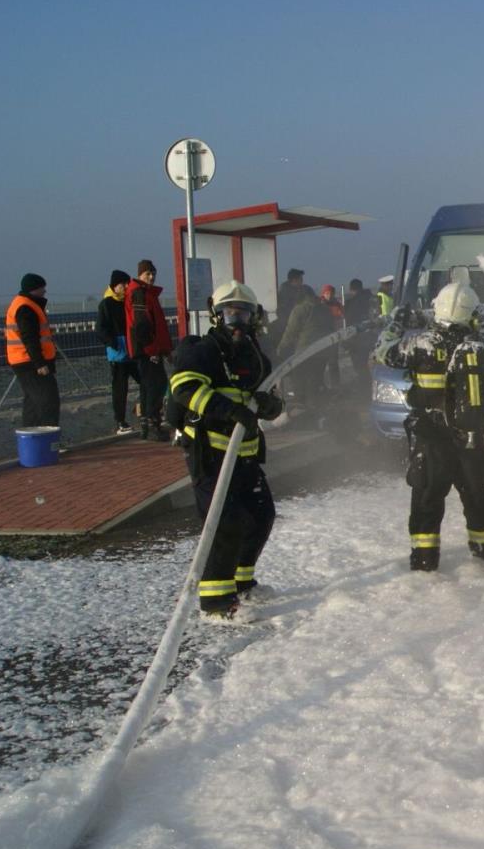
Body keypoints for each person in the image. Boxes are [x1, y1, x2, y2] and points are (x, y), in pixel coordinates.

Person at [168, 281, 284, 622]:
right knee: (226, 523)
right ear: (215, 316)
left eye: (242, 313)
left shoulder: (256, 356)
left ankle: (242, 582)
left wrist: (269, 404)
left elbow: (276, 401)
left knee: (262, 515)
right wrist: (229, 410)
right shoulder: (202, 351)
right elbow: (184, 388)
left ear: (253, 317)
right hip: (210, 452)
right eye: (228, 313)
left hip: (244, 454)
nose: (236, 321)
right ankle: (216, 603)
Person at [376, 280, 484, 571]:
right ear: (471, 314)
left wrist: (396, 323)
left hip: (431, 436)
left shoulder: (420, 344)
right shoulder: (482, 348)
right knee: (475, 496)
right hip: (469, 437)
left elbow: (382, 351)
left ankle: (425, 563)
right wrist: (481, 319)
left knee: (426, 498)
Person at [125, 259, 174, 440]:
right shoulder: (140, 293)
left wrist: (165, 349)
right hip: (147, 349)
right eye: (148, 274)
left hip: (148, 348)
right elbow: (142, 324)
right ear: (140, 275)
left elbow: (155, 324)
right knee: (157, 384)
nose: (151, 277)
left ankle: (147, 423)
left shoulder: (146, 294)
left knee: (147, 385)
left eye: (153, 274)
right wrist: (153, 349)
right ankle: (154, 423)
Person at [5, 272, 60, 429]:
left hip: (24, 361)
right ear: (33, 289)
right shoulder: (25, 307)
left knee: (33, 401)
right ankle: (48, 436)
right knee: (47, 399)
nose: (44, 291)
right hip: (30, 362)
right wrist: (40, 363)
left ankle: (32, 437)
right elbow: (30, 338)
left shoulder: (24, 304)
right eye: (42, 287)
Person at [95, 269, 137, 434]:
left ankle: (148, 412)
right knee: (120, 389)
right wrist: (113, 342)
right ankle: (120, 422)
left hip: (132, 350)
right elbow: (100, 328)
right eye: (123, 284)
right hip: (118, 353)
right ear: (115, 285)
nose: (126, 286)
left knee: (147, 381)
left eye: (128, 283)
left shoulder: (128, 301)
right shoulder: (106, 303)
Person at [278, 281, 337, 395]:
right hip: (323, 351)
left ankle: (304, 407)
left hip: (304, 352)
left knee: (301, 383)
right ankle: (316, 406)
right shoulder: (324, 309)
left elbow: (290, 332)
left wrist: (281, 348)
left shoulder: (300, 309)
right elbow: (331, 329)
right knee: (316, 381)